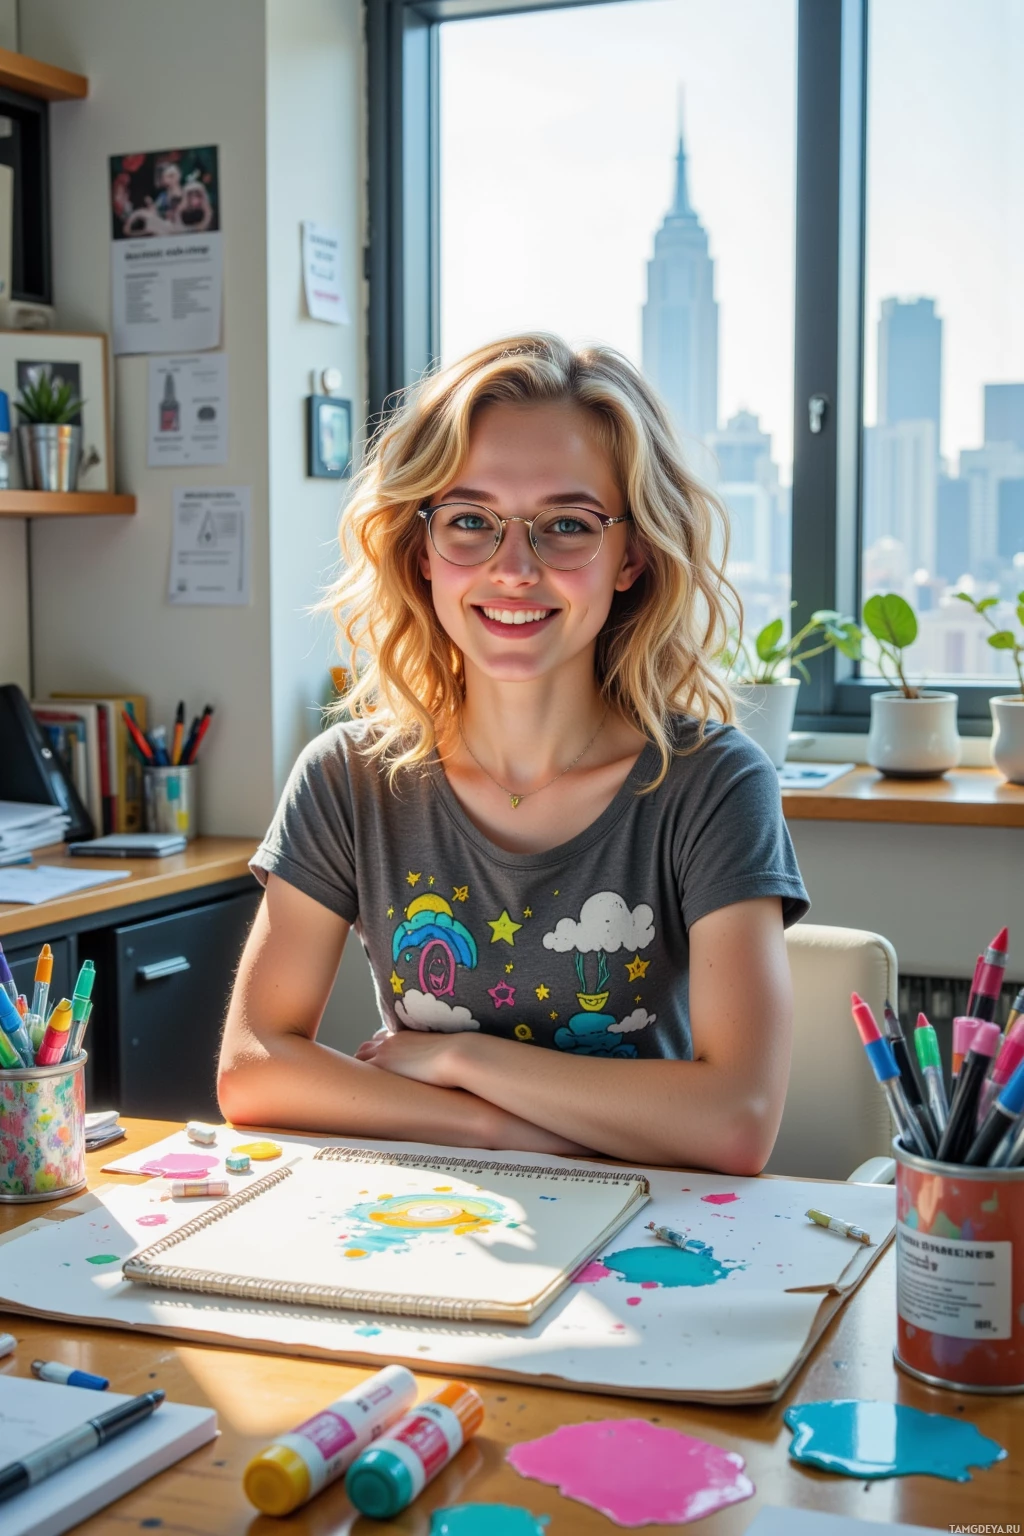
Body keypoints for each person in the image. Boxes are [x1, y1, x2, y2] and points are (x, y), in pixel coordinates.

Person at [218, 334, 809, 1172]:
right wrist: (497, 1131)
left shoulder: (714, 784)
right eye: (470, 521)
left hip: (647, 1240)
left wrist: (466, 1063)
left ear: (632, 555)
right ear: (422, 550)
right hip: (422, 1219)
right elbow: (252, 1069)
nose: (514, 568)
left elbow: (737, 1123)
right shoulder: (345, 775)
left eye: (567, 525)